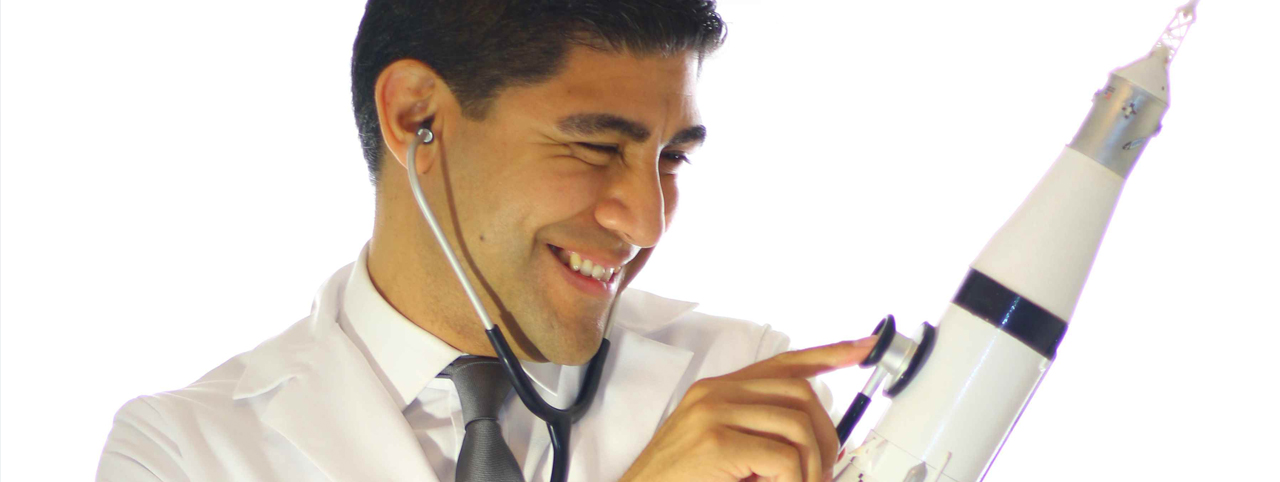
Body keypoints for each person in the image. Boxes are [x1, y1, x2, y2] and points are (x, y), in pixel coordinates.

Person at [96, 1, 876, 481]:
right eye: (596, 147)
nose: (645, 222)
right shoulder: (183, 454)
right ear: (416, 116)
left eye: (671, 158)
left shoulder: (742, 387)